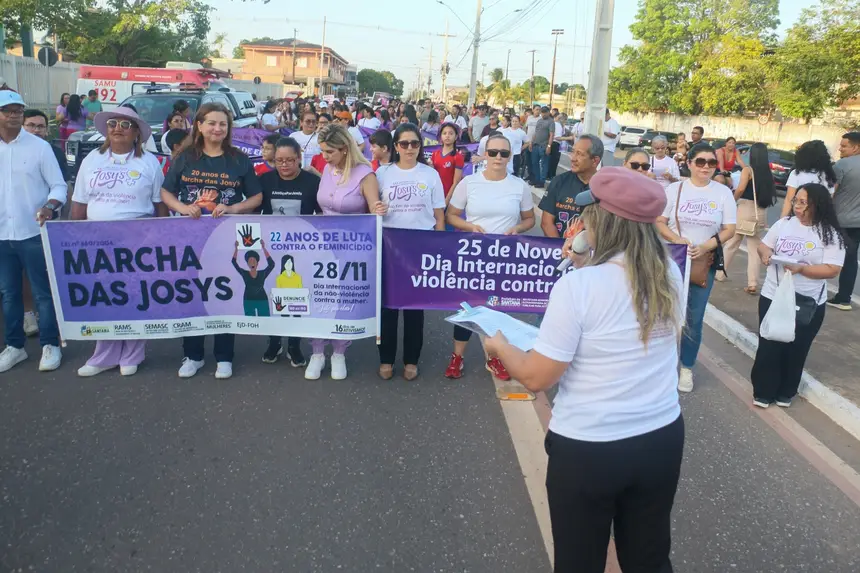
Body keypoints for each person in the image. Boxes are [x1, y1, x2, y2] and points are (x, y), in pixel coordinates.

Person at [484, 167, 685, 573]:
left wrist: (498, 344)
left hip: (590, 447)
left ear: (602, 221)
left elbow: (538, 377)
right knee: (648, 557)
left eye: (587, 213)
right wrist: (583, 263)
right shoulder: (668, 273)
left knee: (579, 561)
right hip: (661, 437)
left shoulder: (578, 287)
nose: (580, 221)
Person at [160, 102, 263, 380]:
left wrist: (233, 208)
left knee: (223, 293)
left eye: (223, 124)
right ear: (200, 126)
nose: (218, 128)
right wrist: (183, 209)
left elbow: (256, 197)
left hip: (224, 236)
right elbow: (166, 192)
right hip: (189, 236)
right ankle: (192, 354)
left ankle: (224, 355)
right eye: (212, 123)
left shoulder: (238, 159)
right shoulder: (185, 156)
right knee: (192, 293)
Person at [70, 106, 167, 377]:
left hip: (138, 239)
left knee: (134, 295)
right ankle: (104, 354)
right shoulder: (92, 159)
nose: (118, 128)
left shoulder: (149, 163)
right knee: (103, 297)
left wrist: (160, 238)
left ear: (136, 132)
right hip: (96, 240)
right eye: (113, 123)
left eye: (126, 124)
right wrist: (71, 236)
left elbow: (160, 206)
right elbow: (79, 201)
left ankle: (133, 352)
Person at [445, 133, 536, 381]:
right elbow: (451, 215)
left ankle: (494, 357)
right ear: (484, 154)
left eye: (504, 153)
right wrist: (469, 227)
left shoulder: (519, 186)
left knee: (497, 308)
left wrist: (517, 228)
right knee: (467, 308)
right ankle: (457, 357)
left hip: (504, 257)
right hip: (473, 255)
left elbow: (530, 219)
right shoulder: (469, 183)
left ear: (510, 156)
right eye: (493, 152)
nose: (498, 157)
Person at [752, 183, 845, 408]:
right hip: (774, 295)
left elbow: (833, 269)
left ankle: (786, 392)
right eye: (796, 201)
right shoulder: (784, 224)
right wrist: (767, 255)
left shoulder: (829, 233)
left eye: (803, 202)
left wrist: (802, 269)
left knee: (796, 347)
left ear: (817, 205)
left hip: (807, 301)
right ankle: (763, 391)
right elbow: (764, 246)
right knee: (769, 344)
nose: (797, 206)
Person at [306, 124, 385, 380]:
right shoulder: (327, 170)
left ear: (344, 149)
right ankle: (317, 352)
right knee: (320, 297)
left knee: (343, 299)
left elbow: (374, 207)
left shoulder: (365, 174)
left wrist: (380, 209)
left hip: (353, 248)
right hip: (323, 245)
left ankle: (339, 352)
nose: (325, 156)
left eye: (329, 151)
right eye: (322, 151)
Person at [656, 144, 736, 393]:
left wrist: (706, 246)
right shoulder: (674, 189)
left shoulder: (723, 193)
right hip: (673, 260)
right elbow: (660, 221)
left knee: (694, 318)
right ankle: (661, 365)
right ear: (689, 163)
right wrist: (677, 239)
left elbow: (729, 229)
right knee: (664, 314)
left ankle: (687, 367)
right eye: (700, 162)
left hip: (704, 263)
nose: (706, 167)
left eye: (711, 163)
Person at [0, 91, 67, 373]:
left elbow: (59, 186)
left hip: (34, 232)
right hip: (2, 235)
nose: (14, 115)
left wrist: (50, 205)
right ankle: (15, 347)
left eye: (19, 110)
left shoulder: (39, 148)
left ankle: (50, 344)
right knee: (9, 293)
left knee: (42, 293)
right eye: (8, 110)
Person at [376, 124, 446, 381]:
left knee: (415, 308)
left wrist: (438, 246)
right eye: (403, 144)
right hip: (389, 245)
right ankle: (385, 358)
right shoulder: (383, 173)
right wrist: (377, 208)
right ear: (395, 146)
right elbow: (370, 205)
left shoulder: (430, 175)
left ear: (420, 146)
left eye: (414, 143)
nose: (409, 148)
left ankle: (411, 360)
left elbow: (439, 214)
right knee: (388, 307)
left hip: (420, 246)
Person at [259, 137, 321, 366]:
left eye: (290, 160)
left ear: (299, 158)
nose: (284, 165)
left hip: (302, 250)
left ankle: (294, 345)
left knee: (296, 299)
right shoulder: (264, 180)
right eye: (279, 161)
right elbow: (252, 212)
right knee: (272, 297)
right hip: (271, 249)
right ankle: (274, 342)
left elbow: (325, 214)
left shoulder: (312, 182)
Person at [720, 143, 776, 293]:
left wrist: (731, 201)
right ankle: (752, 283)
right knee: (754, 249)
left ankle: (720, 273)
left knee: (732, 243)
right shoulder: (767, 173)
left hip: (745, 209)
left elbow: (740, 189)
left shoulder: (748, 170)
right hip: (760, 212)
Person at [540, 134, 602, 238]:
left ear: (595, 161)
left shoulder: (606, 188)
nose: (573, 158)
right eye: (573, 152)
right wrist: (561, 250)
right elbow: (546, 223)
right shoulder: (558, 182)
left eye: (579, 154)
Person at [829, 132, 860, 310]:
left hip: (843, 221)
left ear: (855, 147)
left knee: (830, 254)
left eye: (844, 146)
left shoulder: (842, 165)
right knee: (851, 258)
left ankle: (842, 298)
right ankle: (844, 296)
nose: (840, 149)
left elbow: (831, 191)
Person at [782, 140, 837, 218]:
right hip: (819, 218)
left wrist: (782, 220)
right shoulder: (828, 175)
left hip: (798, 216)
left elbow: (789, 200)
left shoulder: (797, 173)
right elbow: (829, 200)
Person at [22, 109, 68, 180]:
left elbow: (65, 184)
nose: (36, 130)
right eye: (31, 125)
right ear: (21, 128)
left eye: (41, 126)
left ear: (46, 130)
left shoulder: (56, 153)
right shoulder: (11, 151)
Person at [431, 123, 465, 203]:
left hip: (449, 198)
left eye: (451, 133)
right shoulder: (435, 154)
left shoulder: (458, 157)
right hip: (435, 196)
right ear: (441, 136)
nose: (447, 136)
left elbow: (456, 182)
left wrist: (446, 201)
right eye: (444, 133)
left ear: (456, 137)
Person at [531, 107, 555, 189]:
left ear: (548, 112)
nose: (543, 114)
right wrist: (531, 142)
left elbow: (551, 135)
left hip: (544, 146)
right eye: (542, 112)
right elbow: (536, 132)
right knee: (534, 163)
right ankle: (537, 179)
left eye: (545, 112)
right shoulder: (539, 120)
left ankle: (542, 181)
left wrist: (549, 146)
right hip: (536, 145)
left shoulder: (551, 122)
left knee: (544, 165)